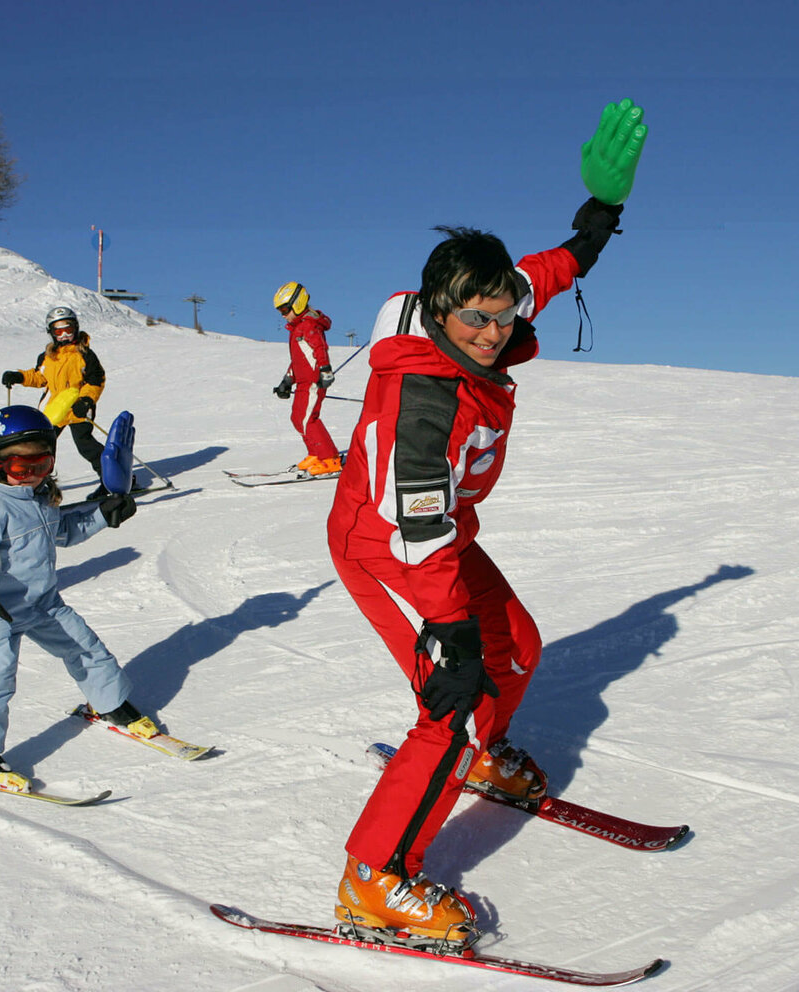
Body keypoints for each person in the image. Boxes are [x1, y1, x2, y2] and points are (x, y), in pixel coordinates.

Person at [326, 100, 647, 943]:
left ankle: (481, 753)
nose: (494, 334)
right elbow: (414, 531)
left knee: (521, 648)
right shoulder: (421, 402)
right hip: (388, 546)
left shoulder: (487, 309)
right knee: (455, 695)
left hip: (441, 535)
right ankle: (374, 876)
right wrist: (452, 638)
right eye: (476, 319)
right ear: (437, 311)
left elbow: (549, 269)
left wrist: (599, 217)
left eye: (505, 317)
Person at [0, 405, 154, 789]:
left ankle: (110, 704)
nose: (34, 477)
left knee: (86, 647)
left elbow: (64, 530)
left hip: (44, 604)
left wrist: (104, 514)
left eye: (42, 466)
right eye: (23, 469)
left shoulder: (38, 497)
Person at [1, 306, 113, 500]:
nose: (64, 335)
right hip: (54, 410)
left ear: (76, 328)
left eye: (68, 329)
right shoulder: (48, 356)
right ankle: (37, 487)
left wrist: (86, 400)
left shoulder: (85, 354)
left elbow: (96, 380)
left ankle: (112, 480)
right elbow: (39, 377)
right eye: (58, 331)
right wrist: (19, 376)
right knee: (41, 449)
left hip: (78, 408)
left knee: (86, 445)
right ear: (51, 333)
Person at [272, 282, 341, 476]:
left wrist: (325, 370)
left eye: (285, 309)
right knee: (298, 418)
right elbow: (299, 359)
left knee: (307, 419)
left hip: (313, 381)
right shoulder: (297, 328)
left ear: (298, 303)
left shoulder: (309, 325)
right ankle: (316, 454)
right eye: (280, 311)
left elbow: (320, 350)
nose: (283, 315)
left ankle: (330, 459)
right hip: (302, 381)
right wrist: (287, 380)